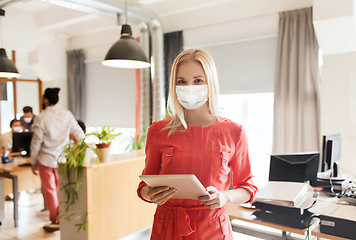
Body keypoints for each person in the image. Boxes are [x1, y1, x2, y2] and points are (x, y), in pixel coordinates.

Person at [137, 49, 258, 240]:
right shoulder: (157, 131)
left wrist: (225, 197)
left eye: (198, 80)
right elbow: (145, 184)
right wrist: (149, 193)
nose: (189, 87)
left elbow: (248, 188)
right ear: (174, 86)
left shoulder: (235, 132)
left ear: (210, 84)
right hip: (167, 226)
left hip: (213, 228)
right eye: (182, 81)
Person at [31, 88, 85, 233]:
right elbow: (79, 133)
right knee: (61, 189)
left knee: (50, 191)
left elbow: (36, 142)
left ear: (46, 100)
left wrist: (33, 160)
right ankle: (61, 218)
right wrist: (84, 150)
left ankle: (54, 220)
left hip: (46, 159)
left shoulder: (41, 117)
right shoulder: (66, 114)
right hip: (63, 158)